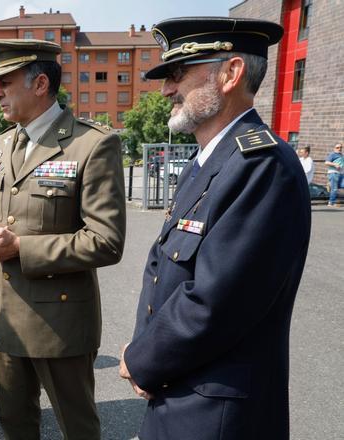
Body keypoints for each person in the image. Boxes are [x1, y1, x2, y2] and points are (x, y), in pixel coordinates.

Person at [119, 17, 311, 439]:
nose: (167, 88)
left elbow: (216, 301)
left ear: (231, 73)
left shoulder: (263, 166)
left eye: (178, 74)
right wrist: (145, 354)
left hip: (217, 414)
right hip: (178, 388)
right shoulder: (204, 162)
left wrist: (142, 360)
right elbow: (162, 268)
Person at [0, 39, 126, 439]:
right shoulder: (3, 143)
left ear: (40, 84)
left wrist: (20, 247)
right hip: (5, 319)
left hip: (60, 325)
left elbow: (106, 240)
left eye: (4, 82)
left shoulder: (92, 144)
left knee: (77, 428)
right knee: (16, 426)